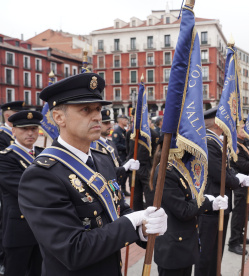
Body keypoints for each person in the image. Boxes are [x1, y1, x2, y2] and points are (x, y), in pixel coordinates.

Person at [18, 73, 168, 275]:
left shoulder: (102, 159)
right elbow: (73, 250)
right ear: (59, 117)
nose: (97, 116)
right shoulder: (41, 176)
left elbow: (117, 209)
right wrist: (131, 222)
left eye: (98, 109)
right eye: (85, 109)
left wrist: (143, 227)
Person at [152, 136, 228, 276]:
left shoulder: (178, 168)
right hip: (173, 249)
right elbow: (183, 210)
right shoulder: (166, 172)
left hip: (183, 246)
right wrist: (208, 202)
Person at [195, 107, 249, 276]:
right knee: (206, 253)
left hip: (220, 202)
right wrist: (238, 181)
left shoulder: (216, 141)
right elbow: (219, 174)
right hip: (211, 204)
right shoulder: (208, 142)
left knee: (216, 250)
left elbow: (226, 169)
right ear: (217, 124)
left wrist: (238, 176)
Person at [0, 110, 44, 276]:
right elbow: (24, 190)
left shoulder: (43, 154)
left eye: (33, 128)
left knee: (39, 271)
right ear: (14, 131)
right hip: (19, 228)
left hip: (42, 227)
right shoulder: (5, 158)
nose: (30, 133)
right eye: (24, 129)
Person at [228, 122, 249, 255]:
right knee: (239, 213)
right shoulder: (235, 145)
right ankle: (233, 241)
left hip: (248, 181)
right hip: (240, 183)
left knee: (244, 211)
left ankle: (240, 235)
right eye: (242, 128)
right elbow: (243, 165)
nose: (245, 130)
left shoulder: (245, 143)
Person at [112, 114, 129, 195]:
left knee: (126, 174)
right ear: (121, 121)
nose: (127, 121)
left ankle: (124, 189)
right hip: (120, 155)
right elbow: (116, 144)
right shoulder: (116, 132)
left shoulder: (124, 131)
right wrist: (126, 147)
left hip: (125, 155)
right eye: (125, 120)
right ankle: (121, 190)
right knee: (122, 173)